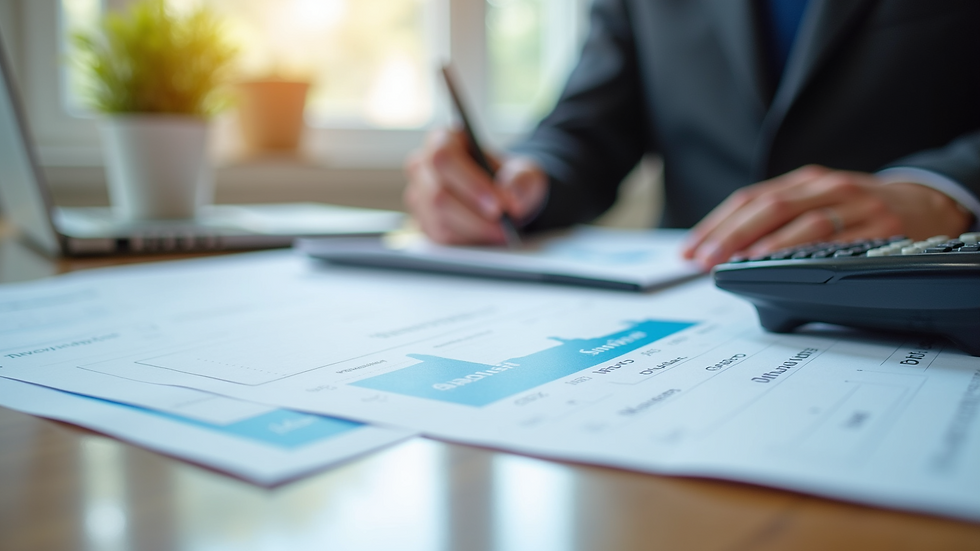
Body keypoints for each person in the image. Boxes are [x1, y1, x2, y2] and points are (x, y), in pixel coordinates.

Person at [404, 0, 980, 269]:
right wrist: (520, 181)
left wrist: (942, 190)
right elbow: (591, 124)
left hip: (927, 301)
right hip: (693, 309)